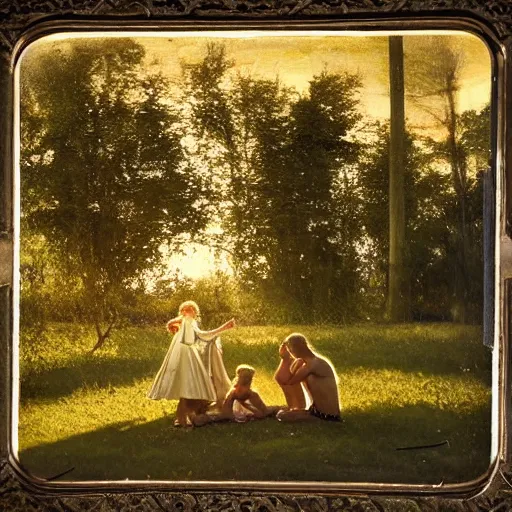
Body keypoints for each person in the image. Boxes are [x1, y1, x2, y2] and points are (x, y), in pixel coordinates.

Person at [147, 300, 235, 427]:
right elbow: (202, 335)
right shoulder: (186, 319)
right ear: (183, 312)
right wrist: (224, 327)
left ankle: (184, 417)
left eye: (190, 309)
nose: (188, 312)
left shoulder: (189, 322)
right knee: (185, 386)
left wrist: (222, 329)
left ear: (195, 312)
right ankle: (182, 419)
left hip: (186, 354)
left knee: (187, 387)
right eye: (185, 310)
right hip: (185, 355)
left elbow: (199, 336)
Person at [275, 333, 341, 422]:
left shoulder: (313, 364)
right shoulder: (302, 363)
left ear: (299, 347)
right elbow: (282, 379)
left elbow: (289, 382)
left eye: (290, 349)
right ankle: (296, 407)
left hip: (328, 416)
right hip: (315, 411)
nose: (290, 352)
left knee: (282, 415)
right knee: (281, 413)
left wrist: (285, 359)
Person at [193, 364, 278, 426]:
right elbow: (226, 412)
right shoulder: (234, 392)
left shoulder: (251, 394)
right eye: (243, 378)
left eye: (247, 379)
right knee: (211, 416)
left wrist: (246, 405)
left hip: (242, 413)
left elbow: (262, 410)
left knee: (270, 410)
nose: (244, 381)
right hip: (233, 413)